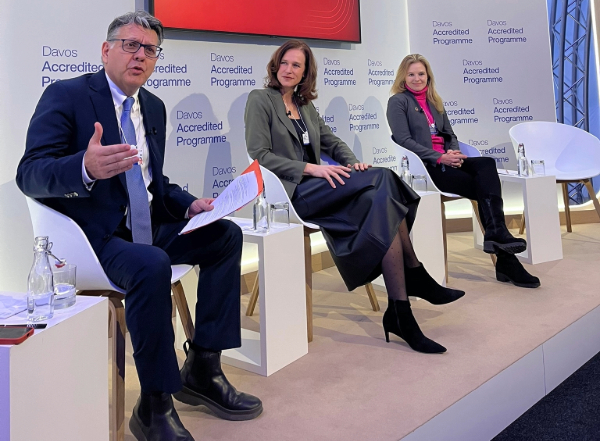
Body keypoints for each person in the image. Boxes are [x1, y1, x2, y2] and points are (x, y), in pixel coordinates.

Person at [16, 11, 261, 441]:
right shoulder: (67, 95)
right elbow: (30, 173)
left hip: (147, 226)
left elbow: (155, 184)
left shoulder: (153, 106)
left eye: (150, 49)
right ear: (107, 50)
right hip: (95, 239)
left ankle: (203, 366)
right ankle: (154, 404)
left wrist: (190, 206)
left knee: (225, 235)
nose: (141, 56)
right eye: (131, 45)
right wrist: (85, 168)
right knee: (150, 263)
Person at [245, 39, 466, 355]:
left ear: (306, 72)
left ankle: (400, 310)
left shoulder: (304, 105)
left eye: (297, 65)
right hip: (291, 193)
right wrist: (312, 168)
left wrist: (351, 162)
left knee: (382, 199)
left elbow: (332, 142)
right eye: (285, 63)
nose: (289, 70)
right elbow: (260, 154)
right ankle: (414, 272)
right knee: (385, 178)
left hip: (320, 187)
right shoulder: (260, 100)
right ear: (275, 65)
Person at [386, 54, 540, 289]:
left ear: (428, 76)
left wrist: (455, 154)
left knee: (486, 164)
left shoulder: (434, 100)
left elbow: (450, 134)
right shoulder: (398, 102)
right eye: (411, 74)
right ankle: (504, 254)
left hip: (449, 160)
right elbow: (403, 140)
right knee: (483, 187)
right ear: (403, 77)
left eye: (421, 74)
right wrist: (440, 157)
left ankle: (497, 236)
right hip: (428, 167)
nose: (417, 79)